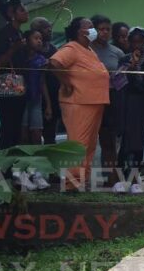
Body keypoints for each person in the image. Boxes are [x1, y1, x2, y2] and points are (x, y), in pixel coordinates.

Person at [47, 18, 110, 191]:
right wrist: (66, 83)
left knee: (90, 145)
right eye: (89, 26)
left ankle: (82, 181)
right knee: (78, 143)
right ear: (79, 31)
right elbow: (54, 63)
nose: (93, 29)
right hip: (78, 102)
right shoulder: (72, 48)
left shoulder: (88, 49)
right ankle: (71, 184)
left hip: (94, 101)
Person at [90, 15, 126, 185]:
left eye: (107, 29)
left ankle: (110, 178)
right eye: (100, 29)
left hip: (111, 98)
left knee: (109, 141)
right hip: (89, 99)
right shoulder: (86, 50)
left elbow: (122, 80)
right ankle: (79, 178)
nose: (104, 32)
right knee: (87, 140)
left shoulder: (117, 52)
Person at [117, 27, 144, 174]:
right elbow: (118, 82)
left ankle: (136, 169)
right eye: (134, 42)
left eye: (140, 41)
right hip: (128, 101)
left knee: (139, 137)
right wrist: (132, 66)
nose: (137, 45)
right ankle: (123, 170)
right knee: (127, 137)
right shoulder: (124, 59)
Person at [0, 0, 29, 149]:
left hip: (19, 86)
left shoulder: (19, 33)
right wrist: (15, 48)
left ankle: (10, 166)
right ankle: (4, 168)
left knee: (16, 129)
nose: (26, 12)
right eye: (21, 10)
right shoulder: (4, 34)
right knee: (8, 128)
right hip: (6, 86)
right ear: (11, 14)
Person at [17, 29, 52, 146]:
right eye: (36, 38)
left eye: (41, 39)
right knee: (23, 135)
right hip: (21, 99)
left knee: (37, 133)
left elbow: (42, 83)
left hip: (36, 99)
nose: (39, 41)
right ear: (26, 40)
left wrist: (48, 105)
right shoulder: (20, 57)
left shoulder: (41, 60)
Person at [29, 17, 60, 144]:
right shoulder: (31, 51)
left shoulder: (53, 49)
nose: (50, 30)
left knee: (50, 131)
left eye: (50, 27)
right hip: (35, 94)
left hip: (53, 93)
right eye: (46, 28)